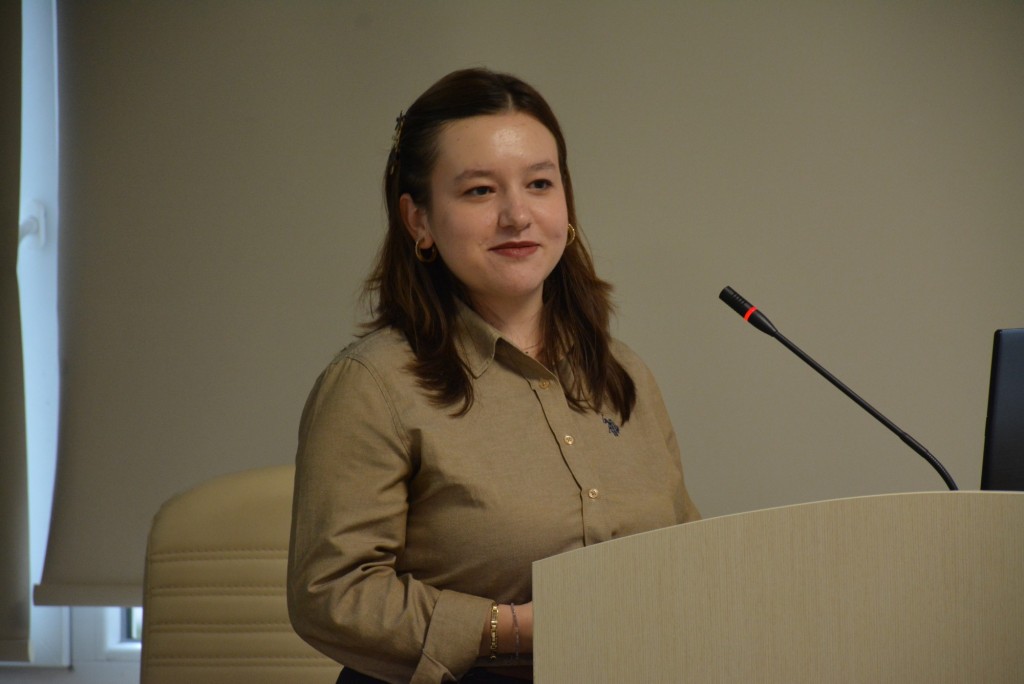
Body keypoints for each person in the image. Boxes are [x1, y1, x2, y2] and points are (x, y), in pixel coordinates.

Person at [287, 67, 701, 684]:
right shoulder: (372, 385)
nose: (517, 215)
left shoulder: (622, 372)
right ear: (419, 220)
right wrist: (513, 628)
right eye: (480, 191)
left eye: (539, 183)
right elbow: (332, 596)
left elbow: (687, 555)